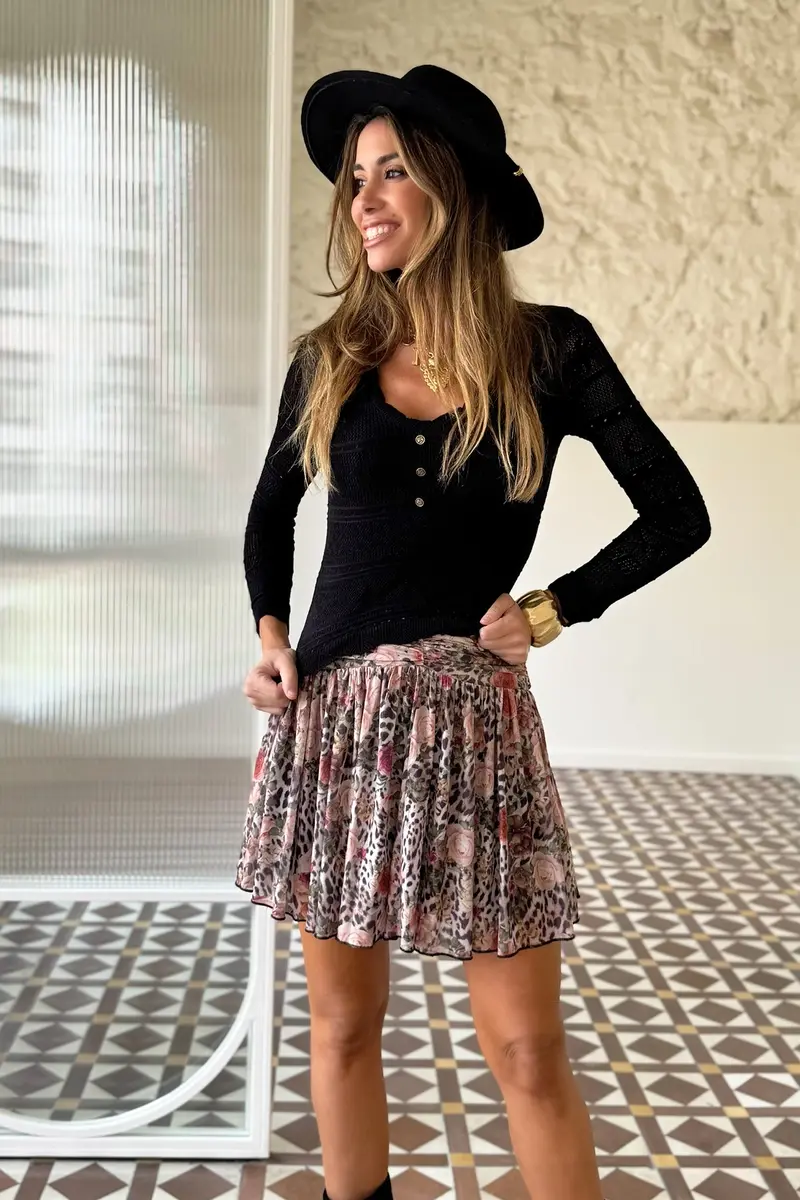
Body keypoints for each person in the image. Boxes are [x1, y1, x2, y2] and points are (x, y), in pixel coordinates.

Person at [236, 65, 710, 1200]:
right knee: (343, 1031)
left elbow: (676, 512)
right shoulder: (332, 355)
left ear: (450, 186)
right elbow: (269, 513)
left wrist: (551, 609)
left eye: (391, 170)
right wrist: (270, 635)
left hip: (475, 730)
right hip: (338, 725)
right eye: (355, 178)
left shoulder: (551, 350)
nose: (363, 199)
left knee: (526, 1051)